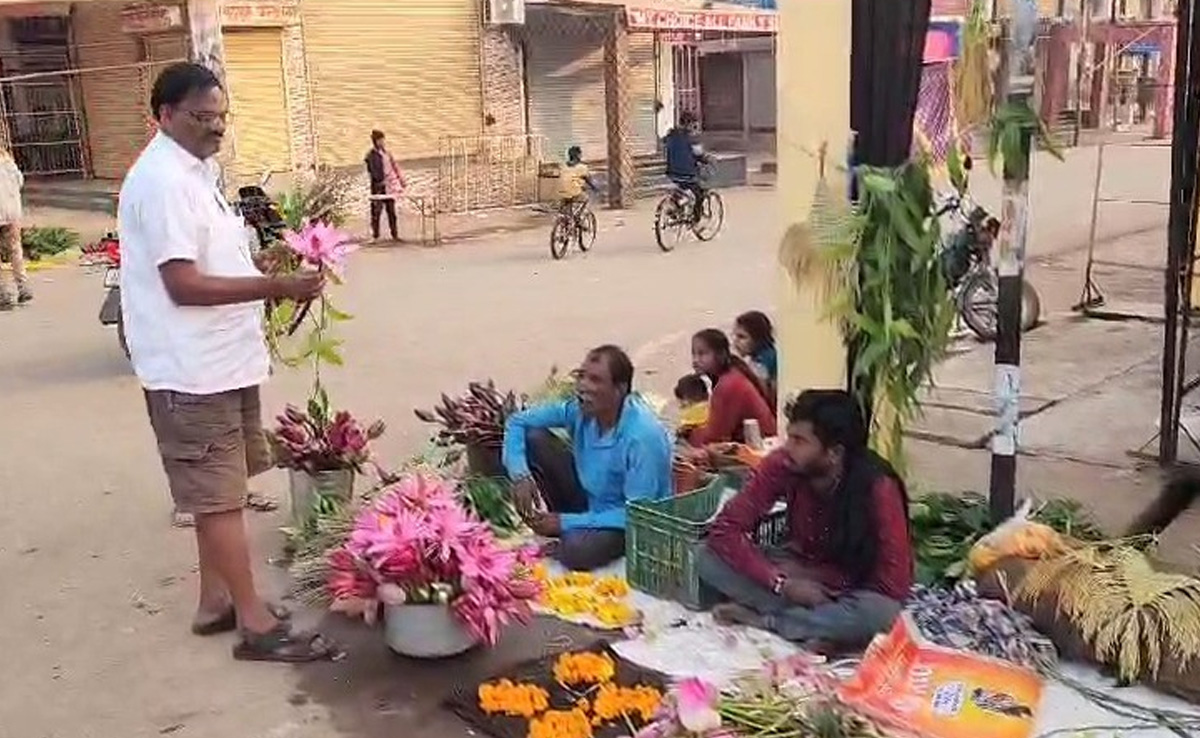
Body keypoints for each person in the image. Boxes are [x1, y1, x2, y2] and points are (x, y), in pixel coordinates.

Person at [120, 62, 336, 662]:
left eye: (221, 117)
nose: (216, 128)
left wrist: (261, 267)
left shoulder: (198, 171)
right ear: (164, 116)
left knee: (221, 488)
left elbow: (208, 259)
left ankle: (215, 602)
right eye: (202, 117)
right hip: (190, 368)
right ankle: (254, 623)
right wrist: (276, 288)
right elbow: (183, 284)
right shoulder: (163, 181)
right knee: (218, 497)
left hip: (220, 358)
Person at [698, 389, 913, 651]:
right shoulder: (783, 464)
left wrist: (821, 581)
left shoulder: (878, 487)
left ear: (834, 453)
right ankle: (818, 628)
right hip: (795, 569)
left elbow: (893, 584)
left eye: (799, 441)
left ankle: (770, 621)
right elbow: (725, 530)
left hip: (850, 587)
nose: (787, 448)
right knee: (706, 556)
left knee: (884, 614)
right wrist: (780, 582)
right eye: (790, 436)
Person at [502, 345, 673, 571]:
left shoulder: (642, 437)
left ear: (620, 389)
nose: (583, 386)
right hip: (590, 500)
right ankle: (569, 529)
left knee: (576, 550)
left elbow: (639, 514)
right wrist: (519, 474)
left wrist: (565, 522)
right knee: (534, 437)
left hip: (627, 522)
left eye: (595, 380)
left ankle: (571, 535)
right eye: (581, 376)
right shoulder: (580, 411)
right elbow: (517, 421)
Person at [683, 328, 776, 447]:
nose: (695, 360)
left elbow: (715, 437)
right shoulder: (732, 374)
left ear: (720, 355)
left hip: (760, 448)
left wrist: (688, 434)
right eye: (694, 354)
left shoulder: (728, 384)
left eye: (702, 354)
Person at [662, 111, 709, 223]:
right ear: (691, 124)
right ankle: (696, 219)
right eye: (694, 124)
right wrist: (705, 160)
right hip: (688, 174)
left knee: (680, 189)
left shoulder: (670, 135)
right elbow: (699, 154)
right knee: (699, 194)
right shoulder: (692, 138)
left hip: (671, 173)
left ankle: (676, 207)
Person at [0, 147, 28, 311]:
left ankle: (4, 293)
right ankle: (23, 286)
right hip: (13, 211)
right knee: (15, 249)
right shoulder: (8, 161)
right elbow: (20, 181)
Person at [364, 129, 405, 242]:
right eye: (380, 140)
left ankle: (394, 234)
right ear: (376, 141)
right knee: (376, 211)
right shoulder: (371, 155)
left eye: (383, 140)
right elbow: (372, 171)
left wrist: (400, 179)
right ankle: (375, 235)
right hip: (378, 186)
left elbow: (394, 166)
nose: (382, 142)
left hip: (389, 186)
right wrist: (378, 180)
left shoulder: (387, 153)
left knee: (391, 211)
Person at [733, 311, 778, 399]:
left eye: (742, 337)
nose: (735, 342)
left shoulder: (762, 361)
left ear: (758, 339)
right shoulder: (766, 354)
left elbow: (760, 394)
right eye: (735, 336)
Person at [558, 145, 596, 216]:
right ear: (578, 155)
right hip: (574, 192)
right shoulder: (582, 167)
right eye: (580, 154)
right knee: (585, 198)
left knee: (567, 199)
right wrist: (594, 187)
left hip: (562, 191)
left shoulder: (563, 166)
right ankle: (578, 216)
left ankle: (568, 214)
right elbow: (587, 179)